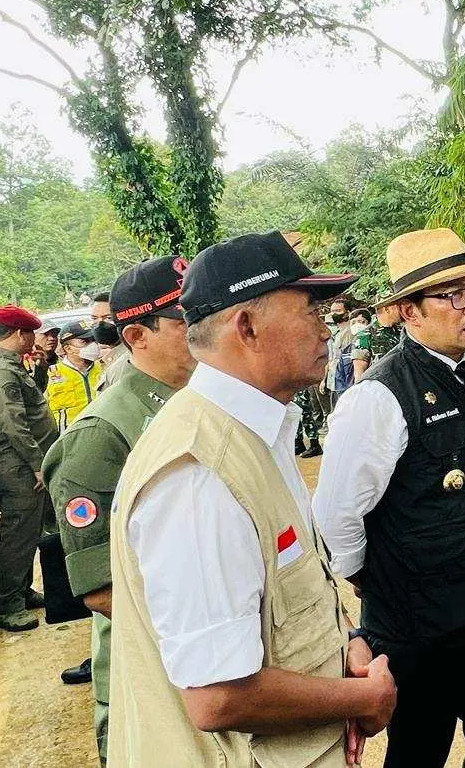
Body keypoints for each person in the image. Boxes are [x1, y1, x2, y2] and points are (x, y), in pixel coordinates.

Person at [108, 231, 395, 768]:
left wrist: (344, 651)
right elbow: (217, 696)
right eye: (310, 309)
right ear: (247, 325)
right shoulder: (200, 474)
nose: (326, 328)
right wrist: (363, 697)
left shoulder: (259, 430)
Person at [314, 228, 465, 768]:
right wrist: (367, 575)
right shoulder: (380, 396)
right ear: (408, 311)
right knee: (419, 750)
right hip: (417, 626)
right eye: (452, 295)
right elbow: (337, 511)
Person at [44, 256, 196, 766]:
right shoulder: (101, 434)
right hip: (154, 670)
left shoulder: (199, 402)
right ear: (136, 336)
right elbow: (104, 591)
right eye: (185, 321)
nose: (202, 329)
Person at [0, 306, 58, 632]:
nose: (35, 339)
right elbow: (13, 424)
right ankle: (9, 605)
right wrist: (37, 465)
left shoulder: (9, 365)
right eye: (32, 333)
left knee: (30, 530)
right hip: (15, 463)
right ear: (20, 334)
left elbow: (30, 403)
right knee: (19, 534)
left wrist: (39, 368)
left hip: (19, 460)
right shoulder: (0, 371)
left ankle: (21, 591)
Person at [46, 320, 104, 432]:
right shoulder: (51, 374)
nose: (92, 345)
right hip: (69, 435)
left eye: (93, 340)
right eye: (85, 341)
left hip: (102, 430)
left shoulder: (104, 367)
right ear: (68, 348)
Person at [30, 321, 61, 392]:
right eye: (46, 334)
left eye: (54, 335)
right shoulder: (25, 363)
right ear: (33, 337)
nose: (52, 338)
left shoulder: (63, 362)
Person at [349, 308, 374, 381]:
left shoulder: (363, 338)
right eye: (353, 323)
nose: (357, 325)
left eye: (361, 322)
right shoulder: (352, 341)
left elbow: (359, 371)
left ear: (369, 323)